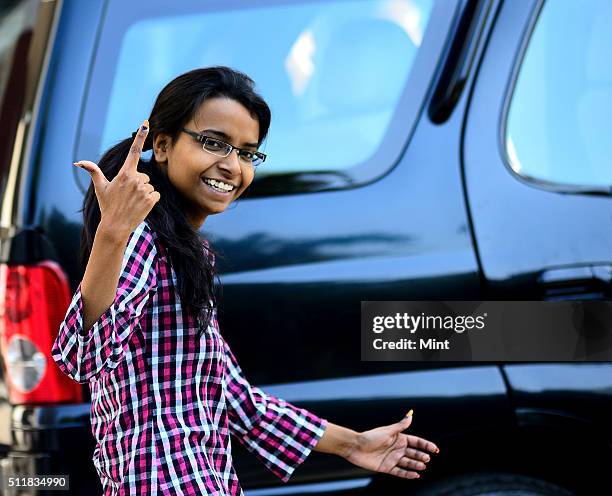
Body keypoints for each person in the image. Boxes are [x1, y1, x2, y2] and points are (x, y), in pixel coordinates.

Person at [51, 66, 439, 496]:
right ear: (162, 145)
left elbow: (235, 399)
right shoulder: (142, 236)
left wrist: (353, 444)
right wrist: (112, 231)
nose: (232, 165)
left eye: (247, 153)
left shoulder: (187, 251)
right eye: (214, 143)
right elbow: (81, 358)